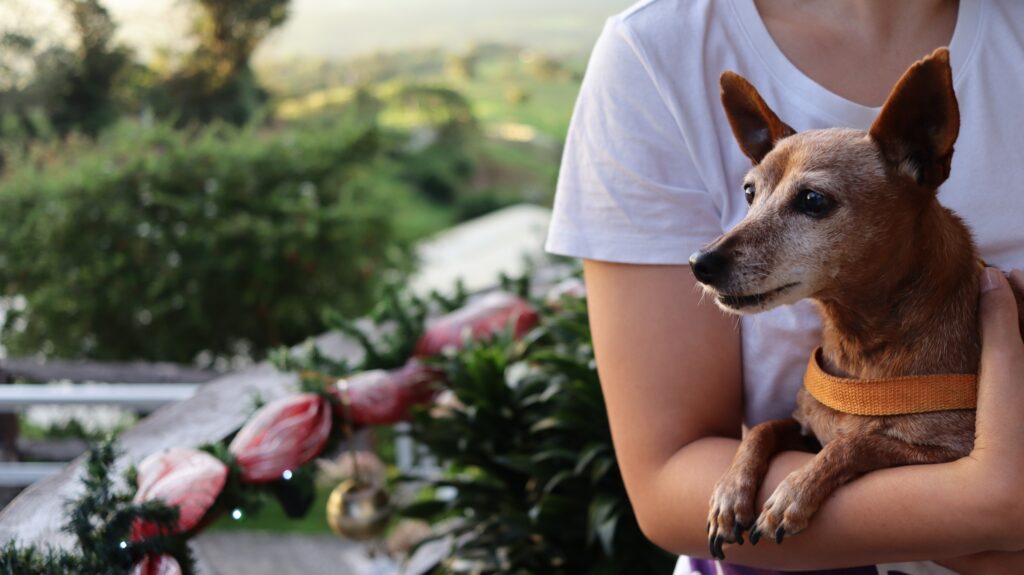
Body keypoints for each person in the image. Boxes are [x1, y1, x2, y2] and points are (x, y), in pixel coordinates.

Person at [544, 0, 1024, 573]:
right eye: (753, 194)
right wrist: (990, 507)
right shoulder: (656, 51)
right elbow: (667, 484)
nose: (712, 258)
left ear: (923, 149)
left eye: (812, 204)